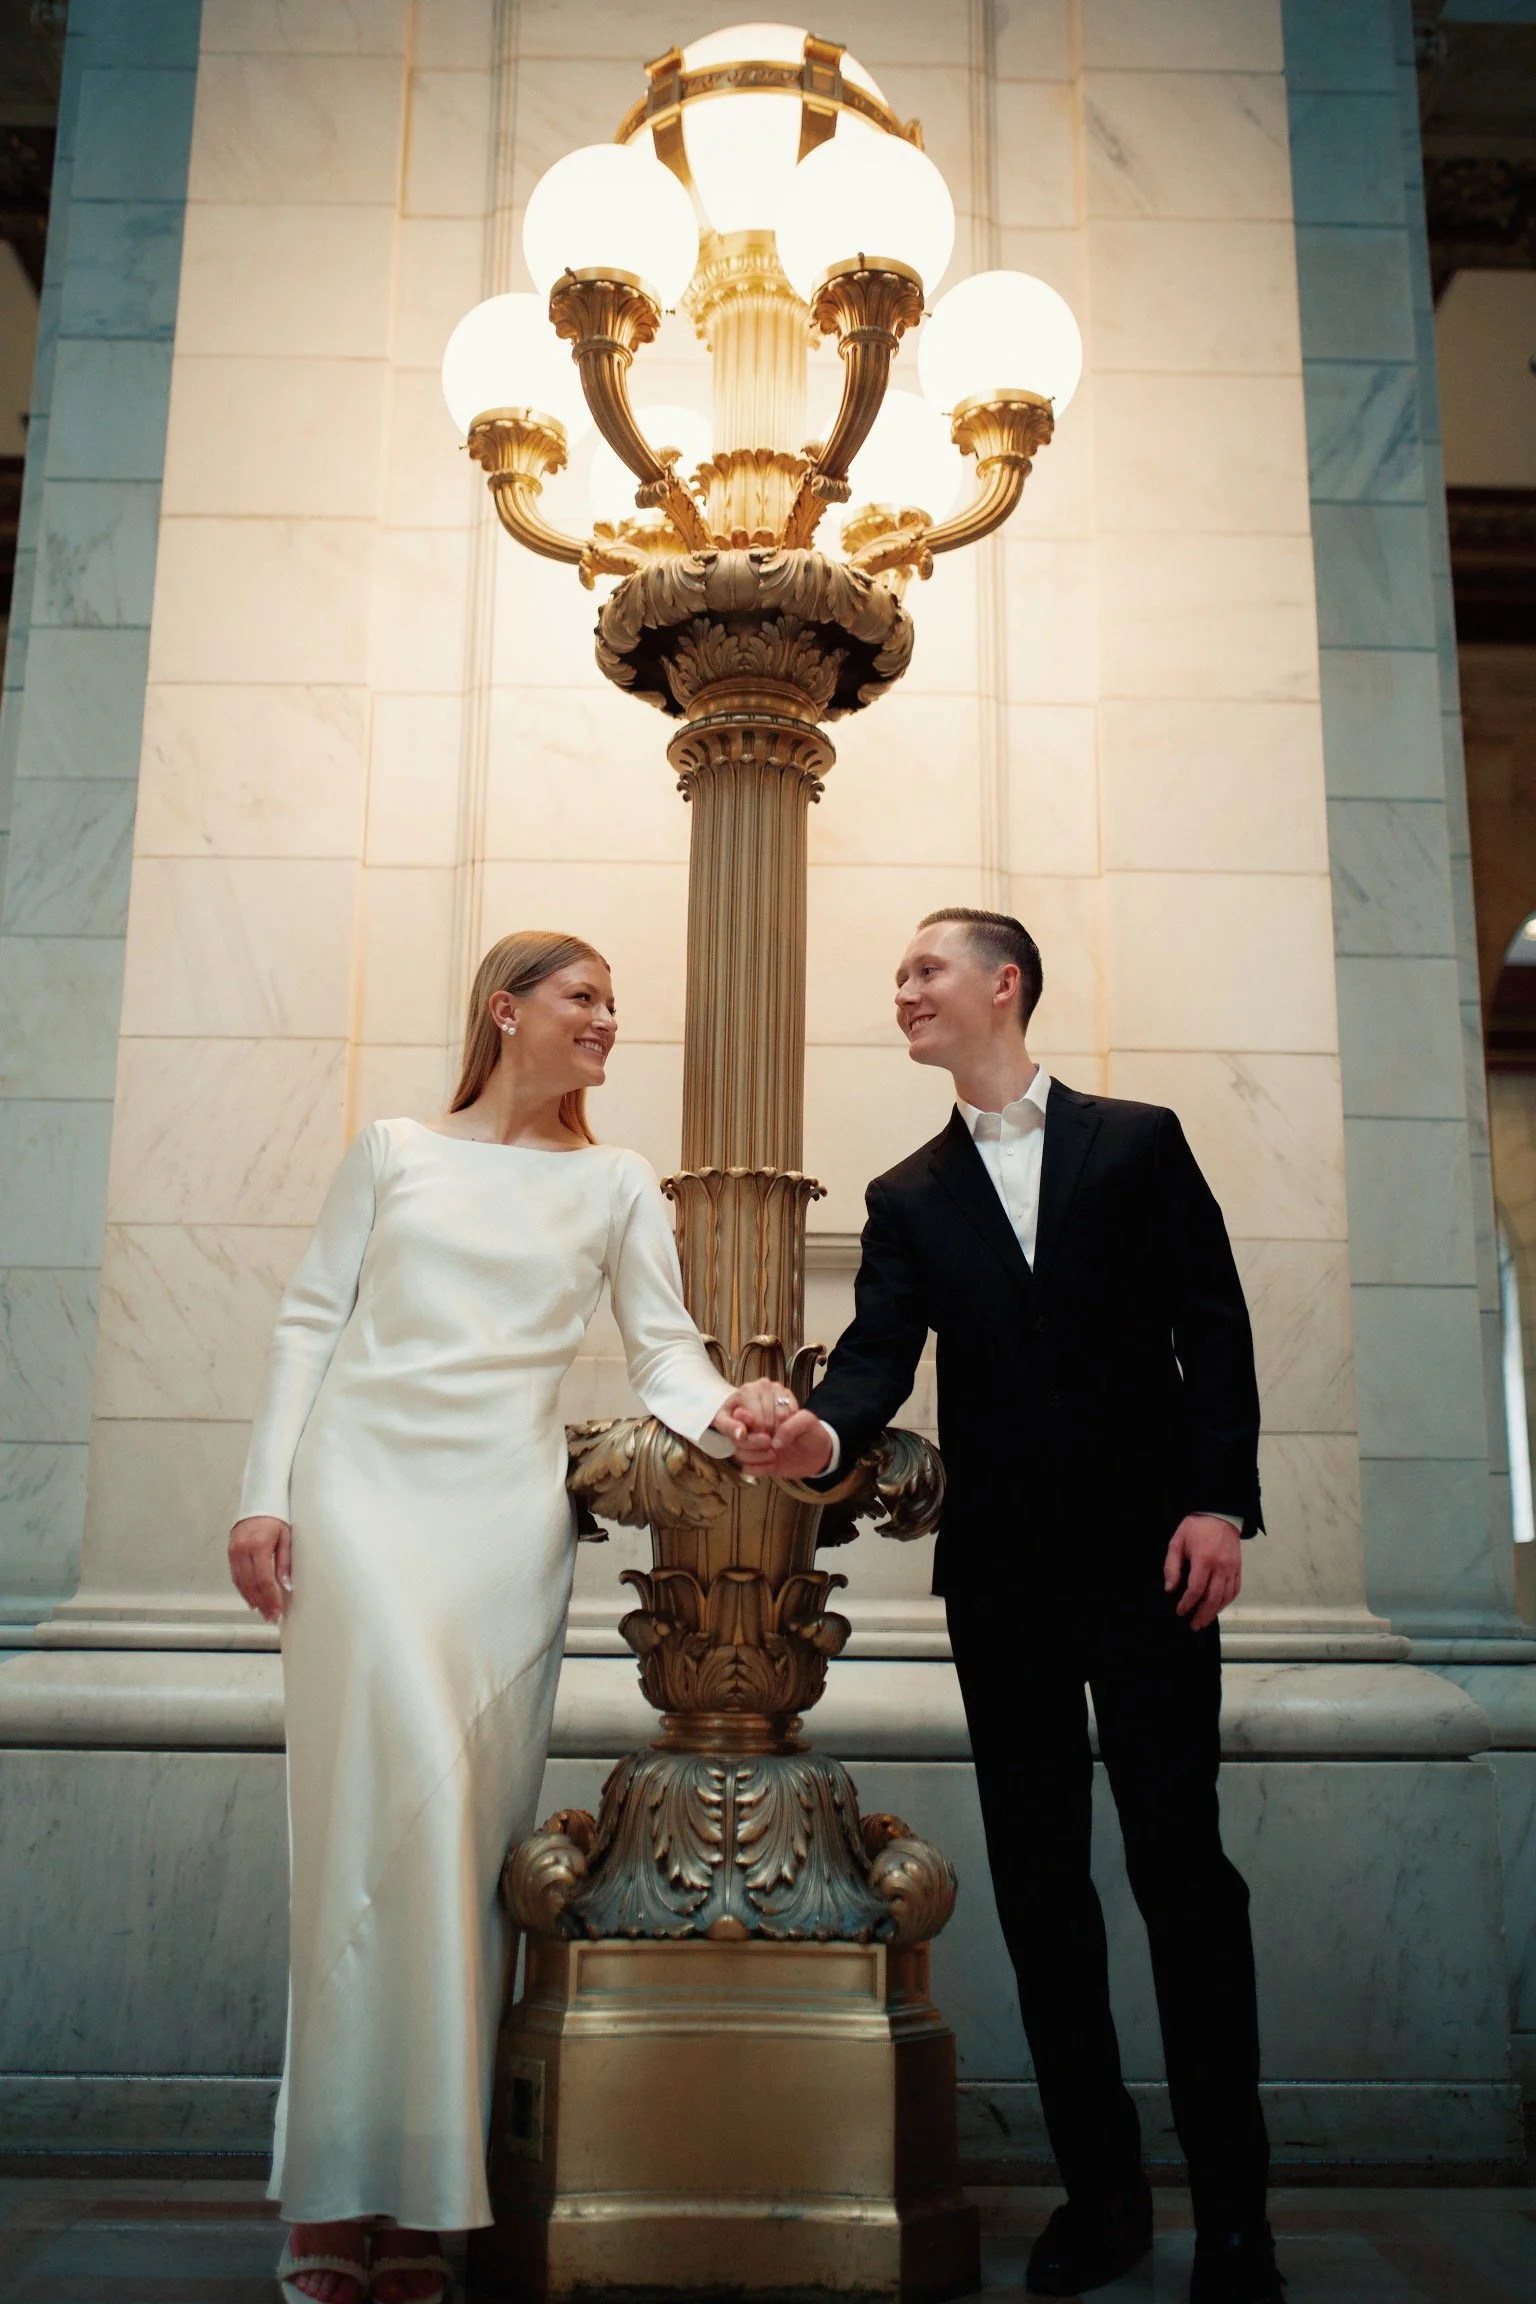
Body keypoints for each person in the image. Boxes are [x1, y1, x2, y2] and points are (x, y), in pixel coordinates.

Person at [737, 908, 1281, 2304]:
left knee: (1182, 1874)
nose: (904, 989)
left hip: (1159, 1565)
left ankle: (1236, 2219)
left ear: (1004, 984)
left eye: (926, 968)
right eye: (902, 974)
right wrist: (818, 1439)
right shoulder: (908, 1193)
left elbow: (1211, 1328)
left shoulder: (1140, 1141)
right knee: (1044, 1893)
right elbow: (871, 1364)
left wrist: (1218, 1502)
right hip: (1006, 1582)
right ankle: (1102, 2201)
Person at [227, 930, 779, 2304]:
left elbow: (663, 1349)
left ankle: (423, 2203)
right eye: (583, 997)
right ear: (507, 1010)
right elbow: (308, 1321)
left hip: (499, 1526)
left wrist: (744, 1414)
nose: (606, 1021)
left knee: (462, 1842)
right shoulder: (394, 1149)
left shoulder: (613, 1180)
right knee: (359, 1832)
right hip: (359, 1499)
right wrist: (263, 1496)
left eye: (612, 1004)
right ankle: (327, 2201)